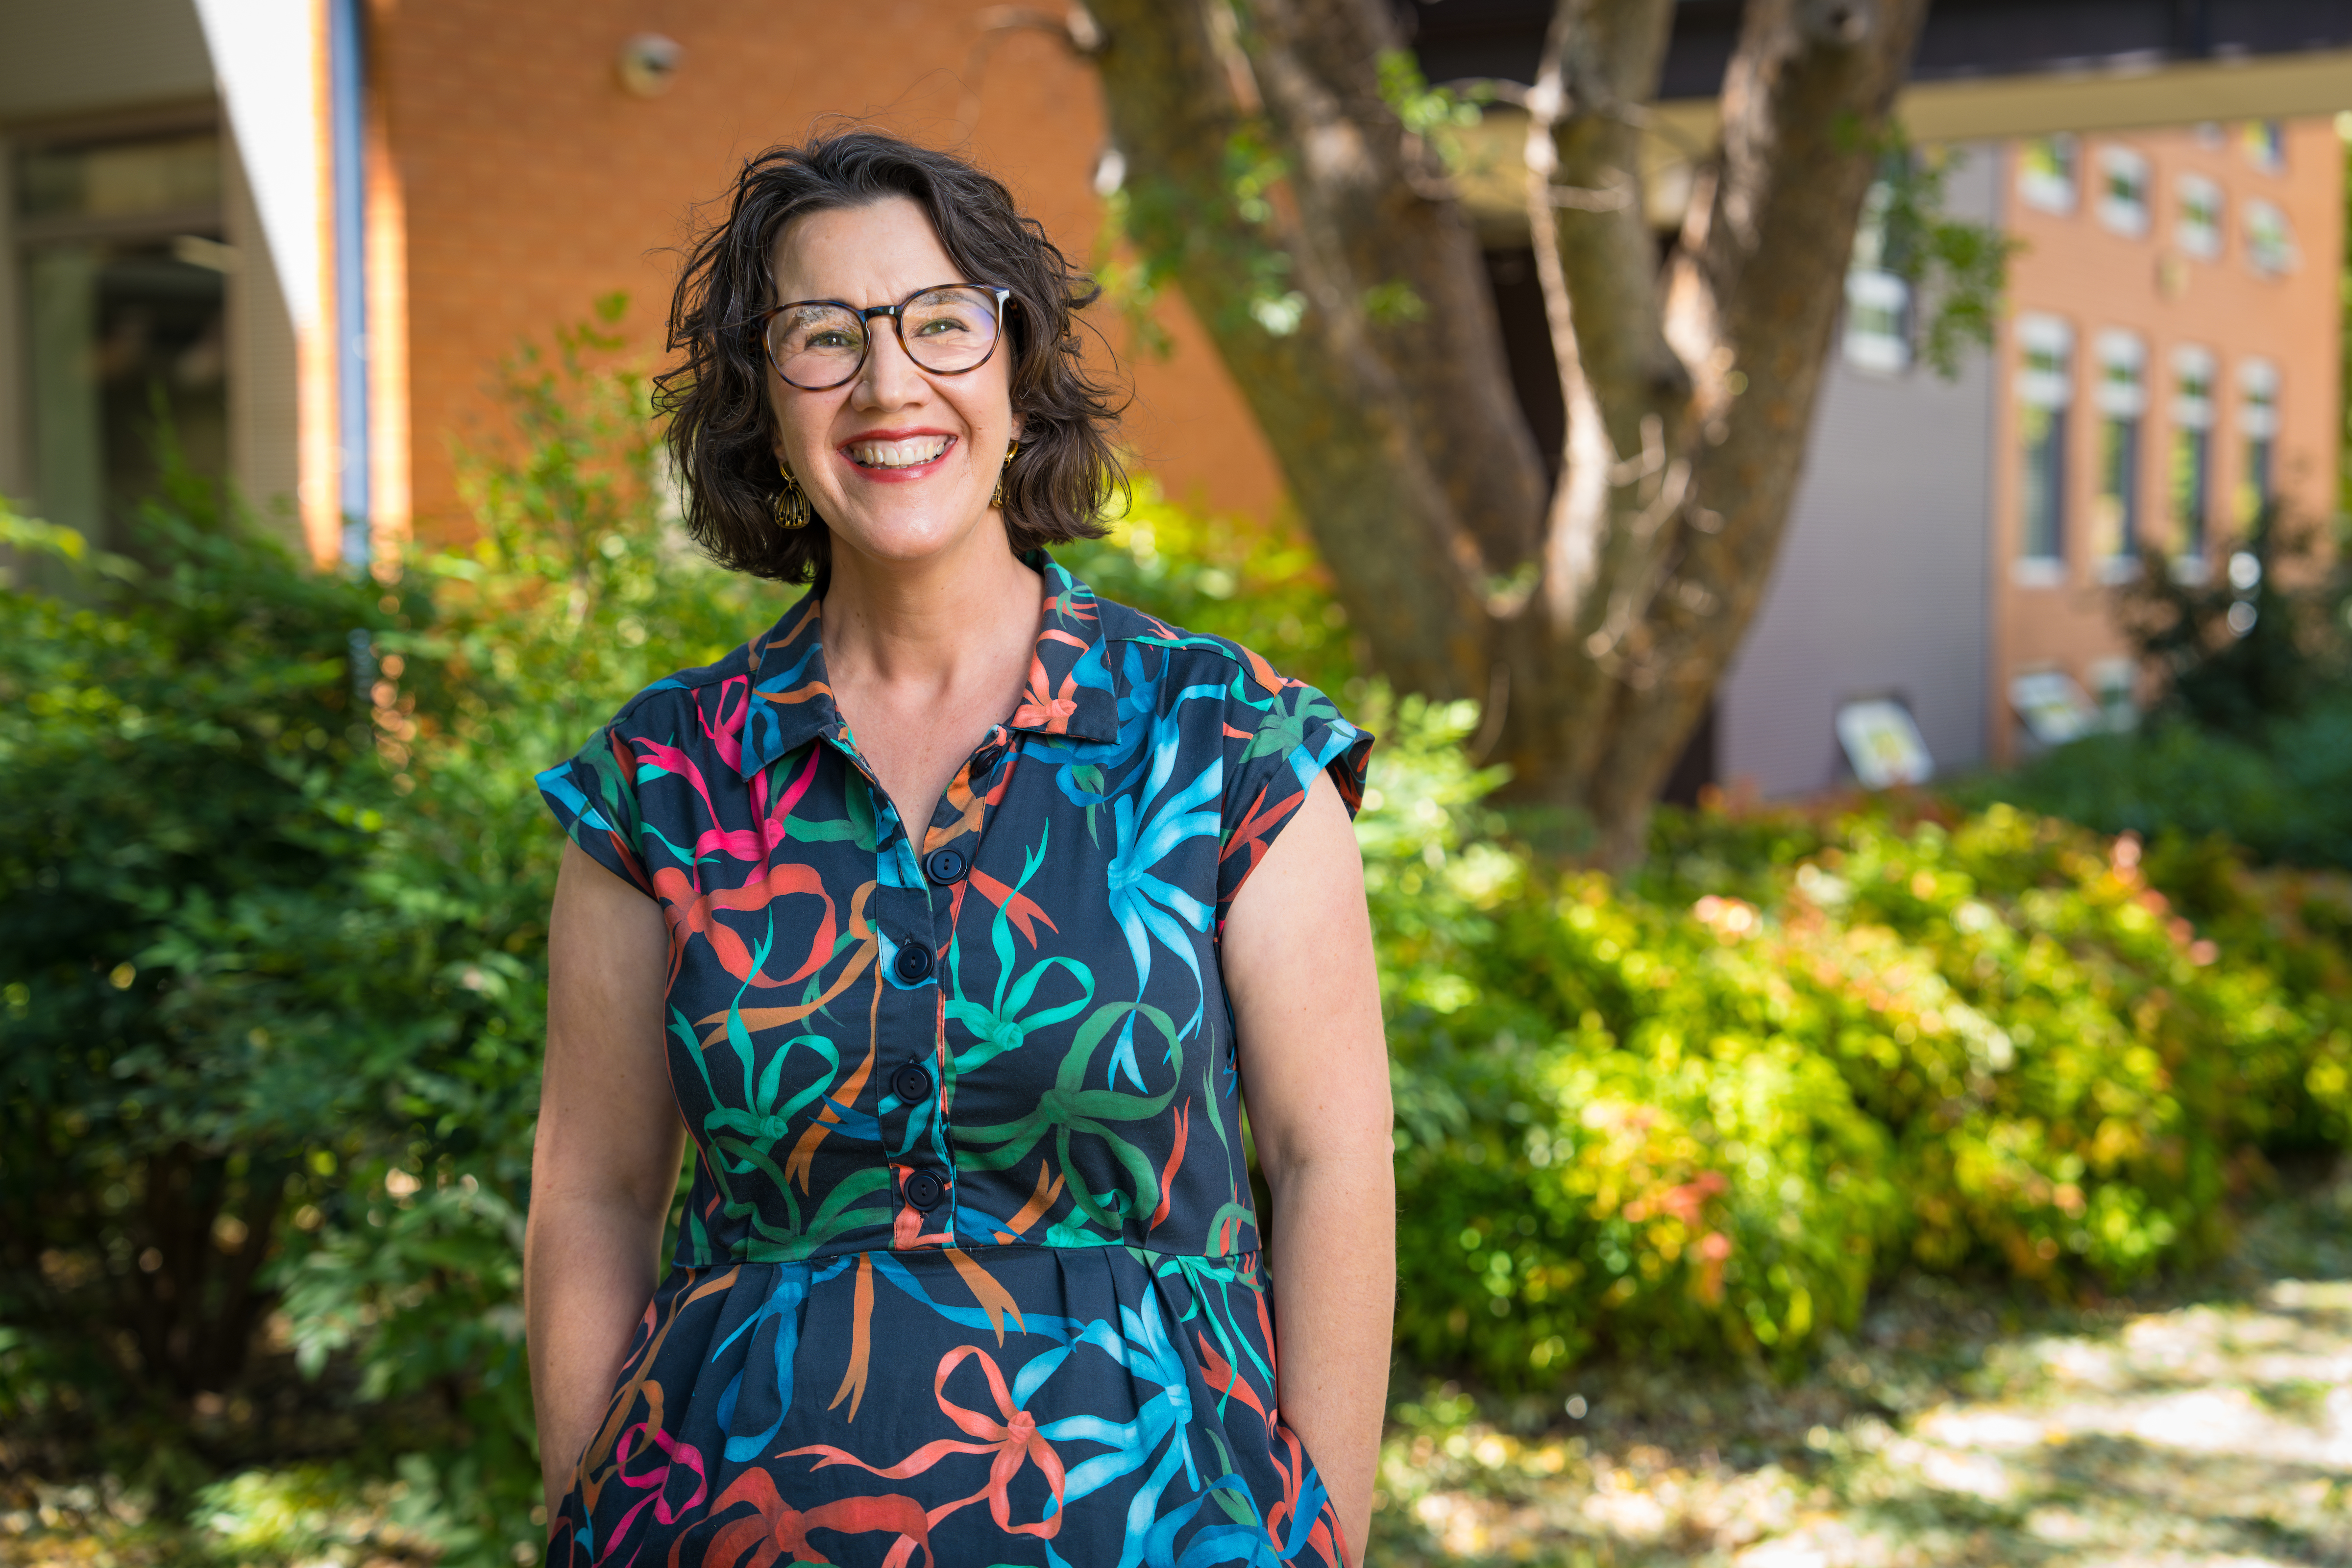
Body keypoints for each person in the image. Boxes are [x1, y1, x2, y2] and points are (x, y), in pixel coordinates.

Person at [525, 129, 1395, 1568]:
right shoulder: (661, 783)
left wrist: (1327, 1533)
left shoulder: (1224, 747)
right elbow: (594, 1192)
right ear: (764, 396)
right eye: (823, 336)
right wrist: (585, 1510)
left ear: (1014, 360)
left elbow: (1331, 1160)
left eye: (939, 322)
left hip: (1173, 1534)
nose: (888, 385)